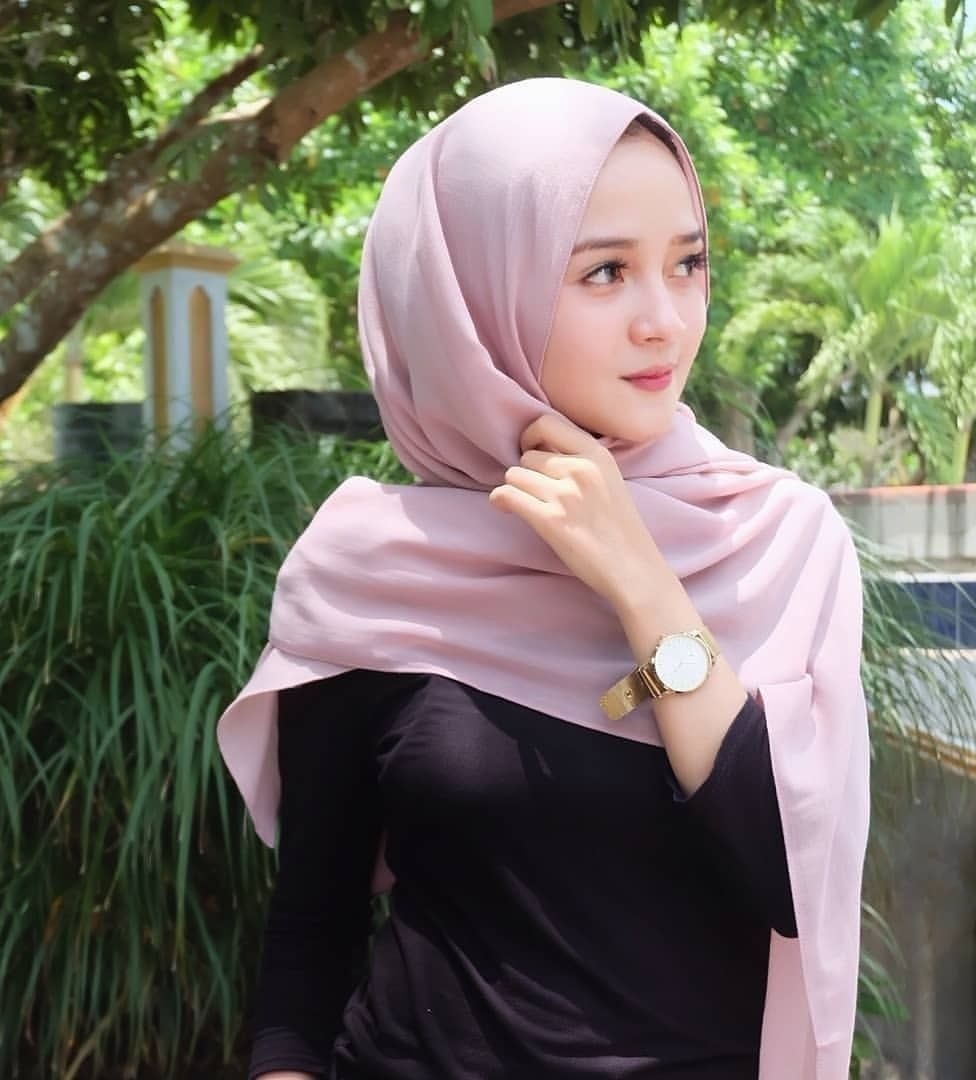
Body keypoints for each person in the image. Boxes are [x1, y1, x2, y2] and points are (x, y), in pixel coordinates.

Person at [218, 77, 869, 1080]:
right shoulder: (375, 565)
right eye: (605, 272)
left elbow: (791, 881)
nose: (665, 320)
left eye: (688, 263)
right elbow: (311, 932)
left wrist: (639, 579)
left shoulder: (780, 543)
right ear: (476, 297)